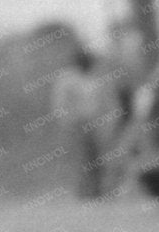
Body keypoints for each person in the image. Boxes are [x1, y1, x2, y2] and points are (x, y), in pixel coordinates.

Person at [49, 45, 120, 200]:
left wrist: (107, 121)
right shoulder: (67, 79)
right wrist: (66, 121)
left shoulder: (94, 78)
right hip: (76, 124)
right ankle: (83, 191)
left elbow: (104, 101)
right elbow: (60, 103)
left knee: (97, 157)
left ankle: (99, 190)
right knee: (82, 157)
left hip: (95, 123)